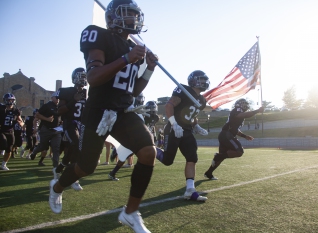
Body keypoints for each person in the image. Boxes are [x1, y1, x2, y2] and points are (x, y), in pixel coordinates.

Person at [49, 1, 158, 232]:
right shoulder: (99, 36)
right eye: (127, 14)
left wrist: (148, 68)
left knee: (149, 151)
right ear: (113, 17)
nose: (133, 19)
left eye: (135, 15)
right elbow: (94, 77)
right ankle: (57, 187)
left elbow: (133, 91)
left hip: (123, 111)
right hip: (99, 110)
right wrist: (127, 59)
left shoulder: (132, 45)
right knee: (86, 167)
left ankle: (130, 212)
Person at [156, 70, 210, 202]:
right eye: (200, 79)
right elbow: (169, 106)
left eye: (204, 80)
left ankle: (190, 190)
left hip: (187, 130)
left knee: (192, 157)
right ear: (193, 80)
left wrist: (195, 125)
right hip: (174, 128)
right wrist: (174, 124)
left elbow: (192, 114)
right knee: (168, 161)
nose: (203, 82)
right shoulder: (183, 90)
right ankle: (150, 148)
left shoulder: (202, 100)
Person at [203, 99, 264, 180]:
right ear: (240, 105)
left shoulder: (238, 114)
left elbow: (236, 130)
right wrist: (257, 111)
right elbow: (242, 115)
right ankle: (217, 156)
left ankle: (209, 173)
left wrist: (245, 136)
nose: (246, 106)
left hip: (225, 134)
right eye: (245, 104)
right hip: (227, 135)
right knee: (239, 152)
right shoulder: (237, 110)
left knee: (222, 156)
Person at [52, 67, 87, 191]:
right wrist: (74, 100)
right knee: (76, 145)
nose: (83, 79)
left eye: (84, 76)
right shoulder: (66, 91)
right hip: (69, 123)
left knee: (75, 148)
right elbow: (59, 111)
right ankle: (74, 178)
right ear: (74, 78)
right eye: (81, 76)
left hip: (81, 125)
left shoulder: (86, 93)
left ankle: (59, 169)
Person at [30, 92, 62, 168]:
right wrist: (47, 119)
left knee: (56, 148)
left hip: (56, 130)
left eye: (59, 98)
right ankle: (34, 151)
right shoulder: (47, 106)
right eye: (56, 97)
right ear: (52, 98)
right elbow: (37, 115)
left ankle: (55, 167)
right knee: (43, 147)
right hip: (46, 129)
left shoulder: (60, 106)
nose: (58, 99)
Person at [0, 93, 24, 170]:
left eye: (12, 100)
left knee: (9, 148)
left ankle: (3, 164)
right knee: (3, 144)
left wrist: (21, 123)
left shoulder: (16, 111)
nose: (10, 102)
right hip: (1, 130)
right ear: (5, 100)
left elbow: (20, 120)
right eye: (8, 100)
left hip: (10, 131)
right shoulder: (1, 109)